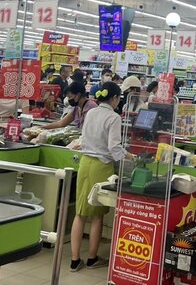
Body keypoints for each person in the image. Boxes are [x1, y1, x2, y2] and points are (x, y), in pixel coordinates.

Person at [70, 82, 133, 271]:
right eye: (118, 99)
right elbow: (114, 147)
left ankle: (74, 260)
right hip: (101, 167)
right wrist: (128, 157)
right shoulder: (113, 117)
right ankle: (91, 258)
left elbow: (84, 137)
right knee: (97, 215)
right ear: (114, 98)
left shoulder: (91, 112)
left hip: (85, 163)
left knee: (80, 213)